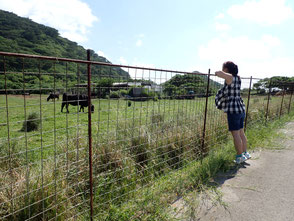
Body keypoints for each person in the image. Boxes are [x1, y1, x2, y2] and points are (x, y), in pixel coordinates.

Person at [215, 61, 251, 164]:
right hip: (240, 108)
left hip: (233, 110)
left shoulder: (230, 77)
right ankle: (245, 153)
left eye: (223, 68)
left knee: (235, 134)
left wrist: (217, 72)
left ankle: (239, 157)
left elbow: (219, 73)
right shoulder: (237, 78)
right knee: (241, 133)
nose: (222, 69)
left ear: (227, 69)